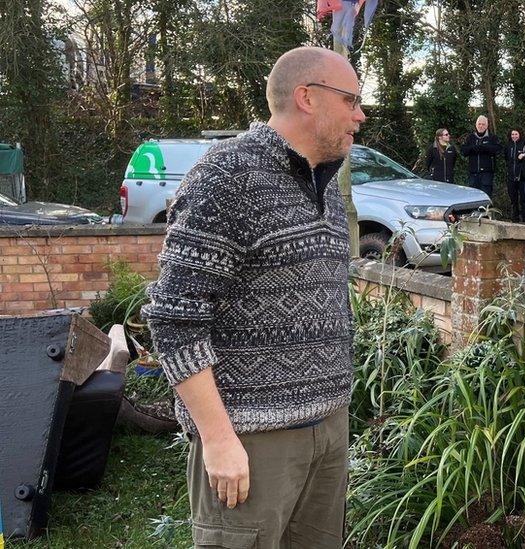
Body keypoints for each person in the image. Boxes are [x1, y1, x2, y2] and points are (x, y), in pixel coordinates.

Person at [142, 46, 364, 548]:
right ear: (307, 98)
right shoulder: (226, 177)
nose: (360, 114)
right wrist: (218, 439)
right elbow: (174, 320)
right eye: (350, 100)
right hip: (253, 441)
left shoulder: (326, 186)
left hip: (328, 428)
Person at [460, 115, 501, 196]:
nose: (481, 126)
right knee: (473, 197)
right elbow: (463, 151)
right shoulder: (470, 138)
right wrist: (473, 148)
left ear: (487, 126)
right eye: (479, 124)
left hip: (487, 174)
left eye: (483, 124)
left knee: (485, 197)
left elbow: (498, 150)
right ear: (476, 125)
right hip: (473, 173)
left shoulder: (492, 137)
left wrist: (485, 147)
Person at [505, 128, 525, 220]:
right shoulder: (508, 146)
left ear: (520, 135)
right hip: (511, 176)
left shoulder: (524, 144)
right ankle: (515, 217)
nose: (514, 136)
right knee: (513, 198)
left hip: (522, 176)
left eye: (516, 134)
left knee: (523, 198)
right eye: (512, 134)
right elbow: (506, 159)